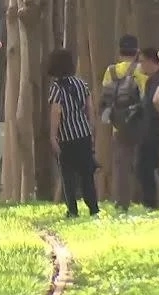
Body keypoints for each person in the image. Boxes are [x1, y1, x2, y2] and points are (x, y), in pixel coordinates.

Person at [47, 48, 100, 218]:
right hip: (83, 133)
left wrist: (53, 136)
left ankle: (73, 210)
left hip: (66, 137)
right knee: (87, 174)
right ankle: (93, 208)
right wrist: (90, 129)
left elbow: (56, 112)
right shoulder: (81, 83)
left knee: (68, 175)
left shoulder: (55, 88)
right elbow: (90, 108)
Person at [100, 34, 148, 212]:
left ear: (119, 53)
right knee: (142, 164)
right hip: (139, 124)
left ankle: (122, 202)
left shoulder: (111, 71)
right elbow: (144, 95)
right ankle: (145, 200)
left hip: (118, 126)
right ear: (137, 52)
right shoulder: (141, 70)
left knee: (121, 167)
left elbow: (106, 99)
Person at [137, 47, 159, 209]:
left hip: (154, 132)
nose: (141, 66)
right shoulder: (151, 80)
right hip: (149, 130)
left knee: (146, 167)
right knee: (146, 167)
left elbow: (156, 100)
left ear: (149, 61)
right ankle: (150, 201)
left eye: (142, 62)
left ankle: (151, 202)